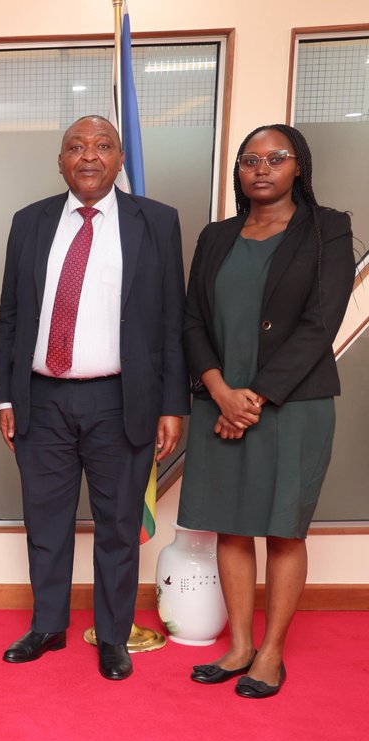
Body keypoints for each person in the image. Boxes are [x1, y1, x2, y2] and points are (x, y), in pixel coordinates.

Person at [0, 115, 188, 680]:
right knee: (45, 523)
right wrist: (6, 398)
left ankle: (113, 636)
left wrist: (172, 404)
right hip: (41, 400)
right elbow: (10, 315)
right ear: (60, 161)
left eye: (103, 145)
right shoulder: (29, 222)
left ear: (119, 160)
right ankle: (47, 626)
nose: (89, 155)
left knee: (118, 526)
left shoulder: (157, 222)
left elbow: (172, 320)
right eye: (76, 147)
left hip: (120, 400)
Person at [179, 124, 354, 699]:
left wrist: (250, 398)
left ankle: (272, 653)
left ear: (298, 165)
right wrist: (219, 391)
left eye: (276, 158)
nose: (261, 168)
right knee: (229, 525)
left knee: (282, 530)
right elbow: (192, 320)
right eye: (250, 160)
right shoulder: (216, 236)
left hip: (293, 406)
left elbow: (320, 323)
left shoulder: (327, 229)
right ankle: (239, 646)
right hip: (218, 401)